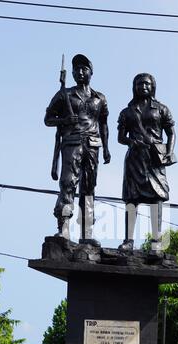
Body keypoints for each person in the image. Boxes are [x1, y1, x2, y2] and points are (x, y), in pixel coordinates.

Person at [44, 54, 111, 247]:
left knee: (89, 188)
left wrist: (106, 148)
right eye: (76, 70)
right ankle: (63, 228)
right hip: (72, 142)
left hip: (92, 145)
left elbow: (104, 125)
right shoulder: (64, 95)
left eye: (84, 69)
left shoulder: (100, 98)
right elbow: (47, 119)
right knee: (68, 184)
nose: (80, 73)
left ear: (91, 72)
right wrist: (64, 120)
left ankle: (86, 232)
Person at [117, 73, 176, 251]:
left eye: (147, 84)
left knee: (157, 198)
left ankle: (156, 241)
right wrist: (132, 141)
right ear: (134, 87)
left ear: (153, 87)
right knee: (131, 199)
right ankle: (128, 240)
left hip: (155, 159)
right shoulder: (126, 112)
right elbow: (121, 137)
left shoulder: (161, 109)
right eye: (139, 84)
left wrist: (169, 152)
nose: (143, 86)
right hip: (134, 159)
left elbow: (171, 132)